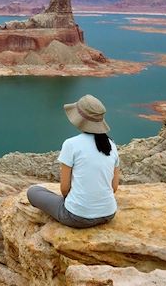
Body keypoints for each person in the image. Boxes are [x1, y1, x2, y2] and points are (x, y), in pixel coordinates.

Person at [27, 94, 119, 228]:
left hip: (77, 217)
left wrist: (76, 203)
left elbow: (64, 188)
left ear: (79, 119)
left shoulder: (71, 144)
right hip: (109, 213)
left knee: (33, 192)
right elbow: (114, 187)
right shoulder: (111, 145)